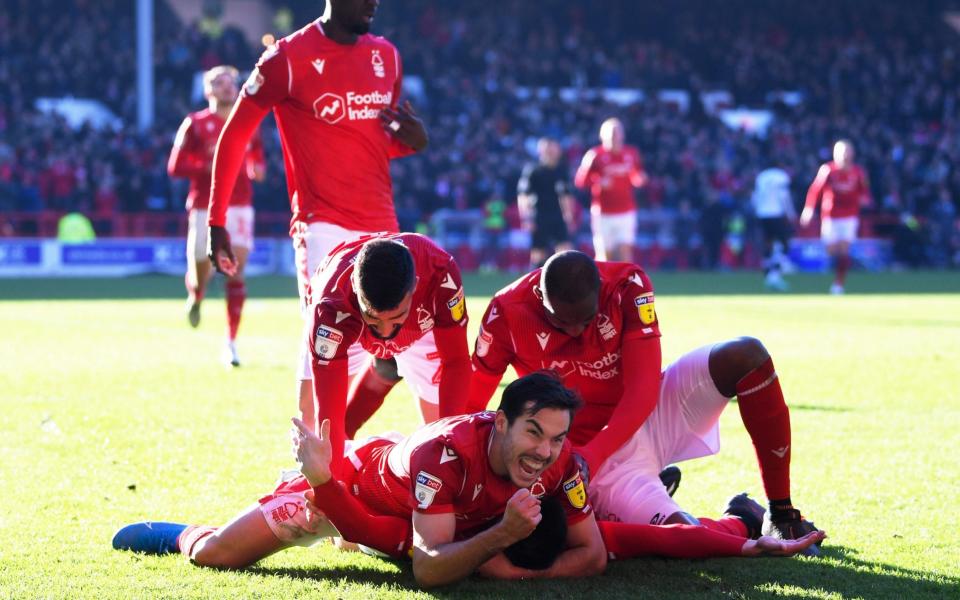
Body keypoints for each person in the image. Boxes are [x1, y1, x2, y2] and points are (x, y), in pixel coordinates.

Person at [111, 373, 823, 585]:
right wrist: (324, 486)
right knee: (219, 557)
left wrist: (746, 547)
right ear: (500, 423)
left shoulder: (561, 465)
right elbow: (418, 566)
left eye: (556, 438)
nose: (545, 453)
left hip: (462, 526)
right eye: (532, 434)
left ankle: (740, 521)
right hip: (357, 493)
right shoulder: (442, 460)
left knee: (625, 532)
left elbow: (603, 549)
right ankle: (182, 531)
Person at [467, 251, 823, 555]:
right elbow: (470, 403)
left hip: (639, 422)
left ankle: (781, 513)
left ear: (599, 293)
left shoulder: (627, 284)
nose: (577, 333)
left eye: (586, 321)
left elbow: (643, 391)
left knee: (747, 354)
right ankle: (742, 519)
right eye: (563, 323)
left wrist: (590, 457)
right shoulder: (506, 312)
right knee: (680, 535)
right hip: (589, 455)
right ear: (540, 300)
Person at [204, 0, 428, 427]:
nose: (372, 2)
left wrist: (415, 141)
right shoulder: (286, 59)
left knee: (392, 358)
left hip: (384, 226)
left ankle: (332, 448)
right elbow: (234, 137)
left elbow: (373, 142)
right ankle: (307, 460)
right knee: (326, 343)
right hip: (323, 226)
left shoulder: (387, 56)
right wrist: (216, 221)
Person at [302, 232, 471, 475]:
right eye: (374, 319)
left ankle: (384, 365)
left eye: (395, 318)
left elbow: (456, 362)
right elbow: (329, 416)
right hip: (347, 319)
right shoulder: (329, 307)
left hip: (417, 324)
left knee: (438, 428)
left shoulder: (440, 274)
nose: (385, 331)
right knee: (309, 413)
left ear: (415, 288)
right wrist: (330, 487)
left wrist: (448, 448)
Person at [168, 65, 266, 366]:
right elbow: (175, 167)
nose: (227, 87)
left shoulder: (248, 122)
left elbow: (257, 157)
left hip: (239, 203)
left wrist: (256, 168)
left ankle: (231, 343)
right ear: (208, 90)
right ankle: (196, 294)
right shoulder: (195, 124)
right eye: (219, 83)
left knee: (235, 270)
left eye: (231, 82)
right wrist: (208, 167)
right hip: (203, 204)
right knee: (201, 268)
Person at [800, 139, 872, 294]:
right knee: (831, 250)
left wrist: (865, 199)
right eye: (841, 151)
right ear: (835, 154)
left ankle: (838, 284)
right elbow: (815, 190)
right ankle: (835, 268)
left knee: (844, 250)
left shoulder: (858, 172)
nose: (844, 154)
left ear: (852, 153)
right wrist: (808, 209)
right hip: (831, 216)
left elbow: (865, 191)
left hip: (849, 216)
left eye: (847, 151)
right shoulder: (828, 170)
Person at [574, 118, 647, 262]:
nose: (614, 137)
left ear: (623, 135)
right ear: (603, 136)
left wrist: (640, 179)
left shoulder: (631, 153)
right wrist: (599, 181)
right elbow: (580, 181)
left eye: (617, 133)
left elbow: (637, 175)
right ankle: (605, 285)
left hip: (626, 211)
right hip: (603, 213)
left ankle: (624, 285)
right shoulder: (595, 155)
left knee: (625, 254)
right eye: (611, 133)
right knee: (604, 257)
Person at [517, 138, 577, 268]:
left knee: (566, 255)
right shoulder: (533, 171)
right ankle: (535, 286)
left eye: (553, 148)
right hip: (539, 216)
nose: (550, 152)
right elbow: (523, 196)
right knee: (538, 256)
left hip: (557, 217)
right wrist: (526, 218)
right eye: (547, 149)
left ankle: (564, 285)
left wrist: (569, 217)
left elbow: (566, 196)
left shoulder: (562, 171)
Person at [751, 158, 797, 291]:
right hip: (776, 213)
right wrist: (791, 214)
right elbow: (784, 197)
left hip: (762, 214)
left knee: (768, 244)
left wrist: (757, 211)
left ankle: (768, 275)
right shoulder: (781, 176)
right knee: (785, 243)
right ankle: (774, 275)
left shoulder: (761, 177)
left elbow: (756, 196)